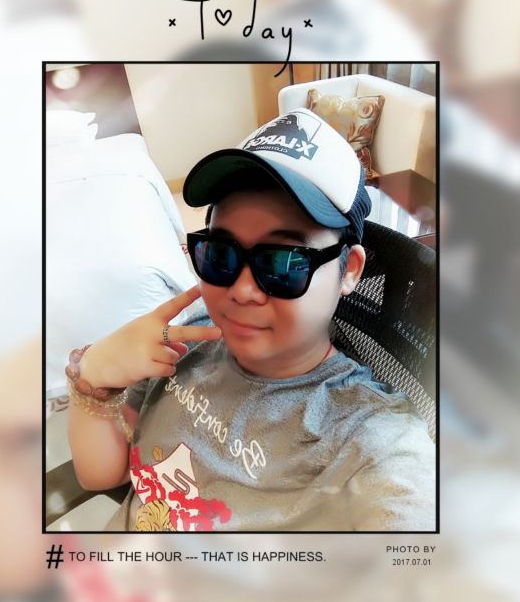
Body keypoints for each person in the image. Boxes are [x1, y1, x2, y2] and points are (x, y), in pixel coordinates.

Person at [66, 108, 435, 532]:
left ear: (349, 270)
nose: (241, 290)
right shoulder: (185, 339)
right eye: (220, 254)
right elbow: (105, 474)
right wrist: (94, 378)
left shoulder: (369, 436)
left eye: (283, 262)